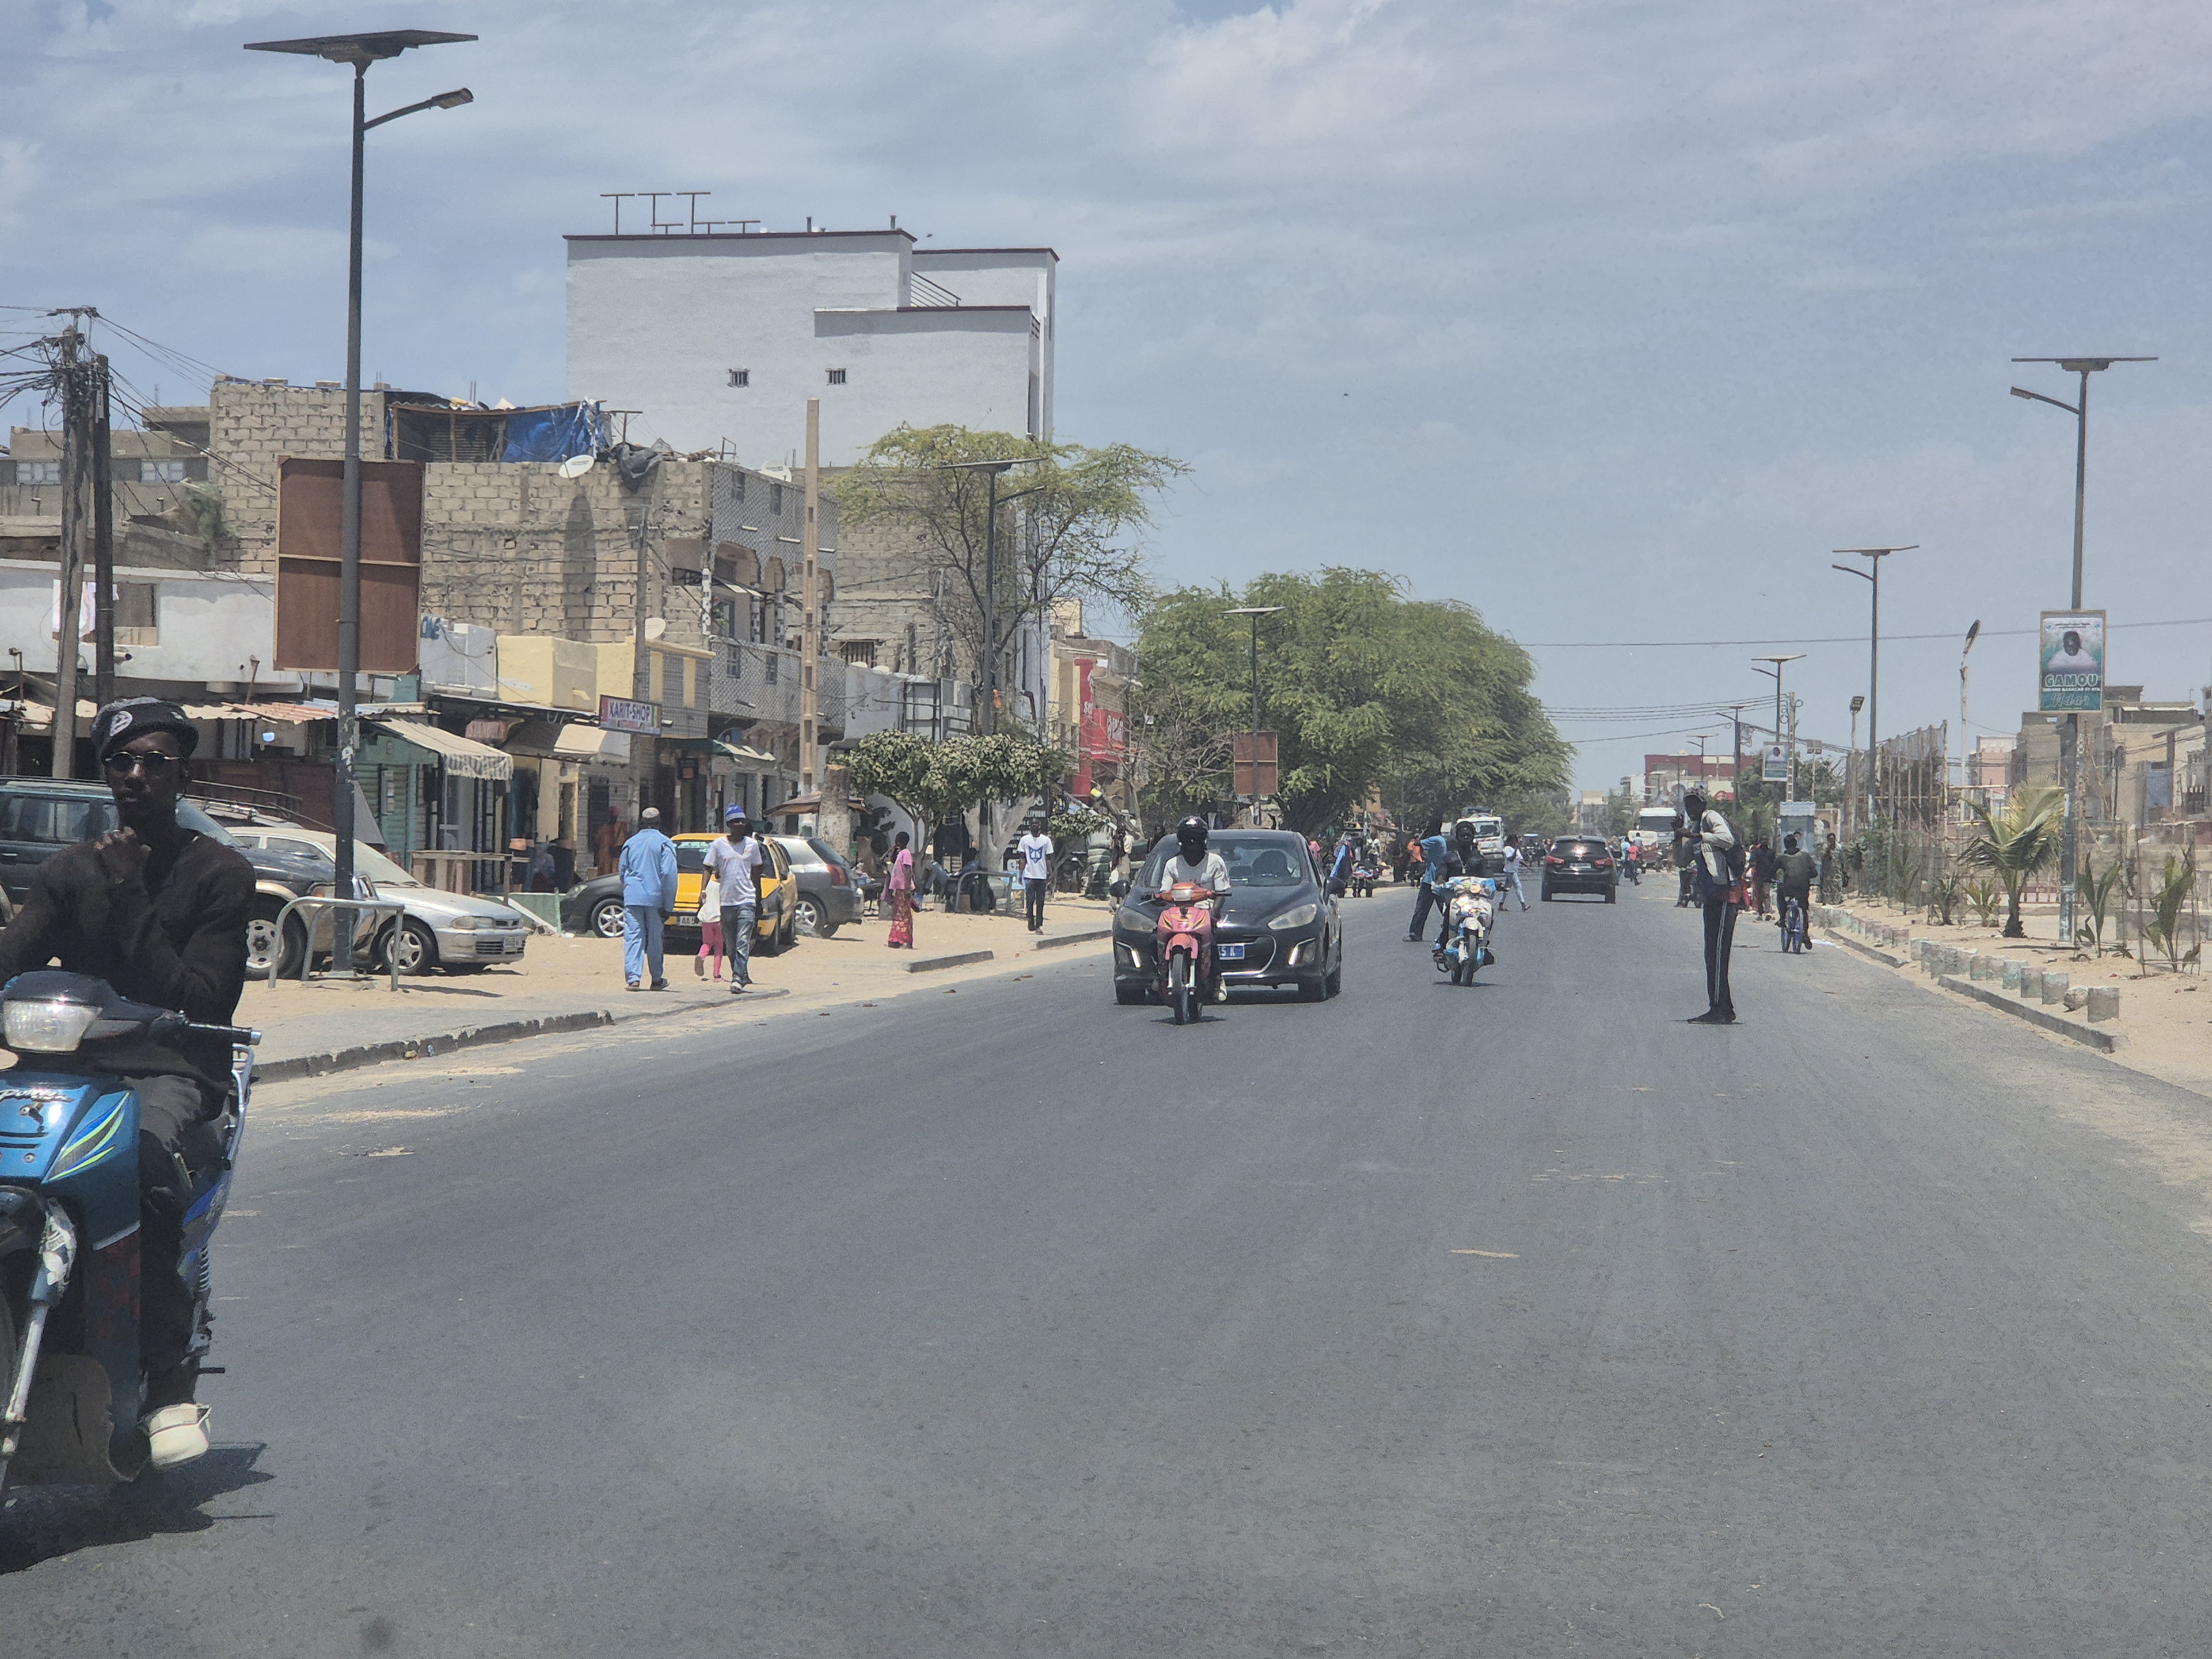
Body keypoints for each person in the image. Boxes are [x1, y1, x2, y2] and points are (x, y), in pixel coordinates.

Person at [0, 697, 255, 1468]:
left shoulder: (220, 873)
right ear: (105, 772)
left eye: (154, 761)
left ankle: (167, 1376)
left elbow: (202, 1000)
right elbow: (14, 957)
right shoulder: (69, 871)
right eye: (121, 761)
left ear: (182, 776)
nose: (136, 775)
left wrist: (131, 894)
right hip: (64, 1066)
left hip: (166, 1070)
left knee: (140, 1162)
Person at [1146, 816, 1233, 1003]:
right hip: (1177, 914)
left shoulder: (1215, 862)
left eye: (1196, 839)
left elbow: (1221, 893)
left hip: (1204, 913)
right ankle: (1160, 974)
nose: (1192, 843)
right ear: (1181, 841)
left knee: (1212, 943)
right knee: (1155, 938)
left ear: (1204, 841)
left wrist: (1213, 914)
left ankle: (1217, 980)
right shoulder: (1172, 864)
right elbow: (1165, 892)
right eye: (1188, 839)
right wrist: (1156, 898)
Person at [1679, 790, 1741, 1024]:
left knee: (1718, 955)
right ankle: (1723, 1007)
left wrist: (1701, 836)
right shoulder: (1695, 829)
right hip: (1711, 897)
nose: (1691, 808)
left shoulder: (1710, 818)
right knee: (1712, 956)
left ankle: (1718, 1009)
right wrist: (1678, 836)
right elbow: (1681, 860)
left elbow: (1728, 840)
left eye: (1695, 803)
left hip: (1726, 895)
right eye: (1688, 804)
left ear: (1703, 804)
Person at [704, 807, 764, 993]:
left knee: (743, 941)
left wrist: (758, 899)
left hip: (747, 900)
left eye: (743, 821)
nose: (741, 824)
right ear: (729, 824)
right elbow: (708, 867)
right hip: (727, 902)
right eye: (737, 821)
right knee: (730, 945)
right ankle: (741, 973)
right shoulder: (718, 845)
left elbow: (757, 873)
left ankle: (737, 978)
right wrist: (703, 891)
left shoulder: (752, 845)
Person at [618, 806, 677, 990]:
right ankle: (657, 979)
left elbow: (622, 870)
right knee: (655, 938)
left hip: (633, 897)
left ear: (642, 822)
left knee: (633, 937)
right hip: (655, 899)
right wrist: (668, 905)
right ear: (659, 822)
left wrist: (630, 888)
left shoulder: (630, 843)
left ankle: (633, 979)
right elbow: (668, 875)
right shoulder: (664, 843)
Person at [1406, 821, 1451, 942]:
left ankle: (1415, 933)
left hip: (1432, 880)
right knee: (1444, 908)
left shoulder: (1435, 840)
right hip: (1436, 878)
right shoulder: (1440, 840)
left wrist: (1424, 831)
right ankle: (1452, 930)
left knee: (1422, 908)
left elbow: (1416, 843)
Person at [1774, 832, 1817, 945]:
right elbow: (1814, 873)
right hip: (1803, 887)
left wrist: (1768, 879)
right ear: (1796, 844)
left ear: (1785, 845)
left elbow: (1771, 872)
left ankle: (1783, 918)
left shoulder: (1782, 858)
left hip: (1788, 888)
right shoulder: (1806, 856)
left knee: (1780, 894)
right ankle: (1805, 934)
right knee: (1803, 907)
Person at [1018, 813, 1054, 932]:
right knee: (1030, 900)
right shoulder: (1025, 840)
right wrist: (1021, 873)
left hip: (1042, 876)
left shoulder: (1046, 841)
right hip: (1029, 875)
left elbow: (1048, 858)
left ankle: (1038, 925)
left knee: (1040, 902)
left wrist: (1051, 873)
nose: (1035, 825)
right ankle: (1030, 919)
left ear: (1040, 825)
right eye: (1033, 823)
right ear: (1030, 826)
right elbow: (1022, 858)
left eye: (1037, 823)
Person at [886, 830, 916, 947]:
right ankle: (896, 939)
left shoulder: (906, 854)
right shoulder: (900, 853)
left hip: (905, 889)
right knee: (898, 913)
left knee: (903, 914)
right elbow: (891, 859)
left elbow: (908, 871)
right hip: (900, 889)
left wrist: (908, 888)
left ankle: (902, 940)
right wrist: (893, 849)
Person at [695, 871, 725, 980]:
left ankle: (701, 956)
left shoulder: (708, 884)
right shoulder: (724, 887)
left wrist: (697, 914)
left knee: (707, 943)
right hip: (719, 919)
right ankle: (717, 974)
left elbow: (702, 900)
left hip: (707, 918)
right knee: (719, 946)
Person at [592, 805, 627, 879]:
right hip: (616, 859)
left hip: (605, 860)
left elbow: (596, 844)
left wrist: (596, 861)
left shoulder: (603, 829)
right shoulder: (623, 828)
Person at [1498, 837, 1529, 911]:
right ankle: (1523, 905)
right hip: (1510, 871)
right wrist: (1516, 849)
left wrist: (1528, 866)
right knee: (1518, 886)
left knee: (1507, 888)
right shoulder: (1507, 849)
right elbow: (1511, 859)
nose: (1515, 843)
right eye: (1514, 841)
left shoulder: (1516, 850)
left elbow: (1519, 860)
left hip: (1513, 871)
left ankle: (1501, 904)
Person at [1750, 836, 1776, 921]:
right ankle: (1760, 913)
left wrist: (1774, 876)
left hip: (1768, 876)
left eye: (1766, 840)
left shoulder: (1771, 852)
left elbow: (1774, 864)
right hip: (1759, 876)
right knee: (1759, 895)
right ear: (1760, 841)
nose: (1765, 841)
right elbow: (1752, 861)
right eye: (1763, 840)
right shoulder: (1756, 852)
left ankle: (1767, 912)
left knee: (1766, 893)